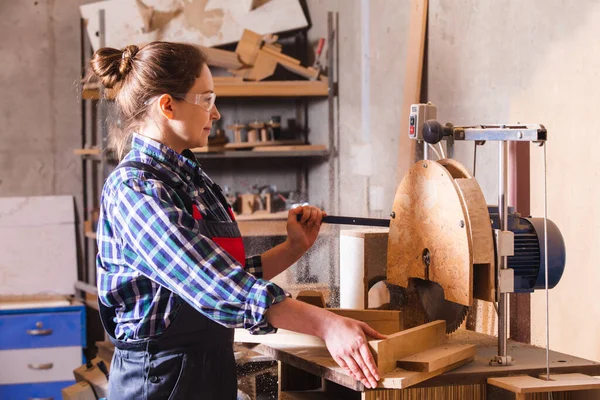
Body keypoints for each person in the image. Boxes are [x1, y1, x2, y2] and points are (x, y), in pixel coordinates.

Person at [92, 41, 385, 400]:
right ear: (167, 105)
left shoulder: (194, 180)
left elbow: (230, 272)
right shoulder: (135, 190)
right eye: (207, 100)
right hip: (160, 379)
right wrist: (327, 324)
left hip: (205, 366)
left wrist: (294, 247)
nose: (215, 115)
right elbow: (212, 283)